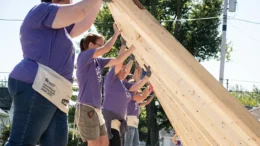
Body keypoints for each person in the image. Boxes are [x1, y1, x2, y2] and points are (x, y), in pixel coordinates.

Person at [6, 0, 107, 145]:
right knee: (22, 142)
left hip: (56, 93)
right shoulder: (42, 10)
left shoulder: (61, 28)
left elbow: (84, 21)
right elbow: (80, 12)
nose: (72, 1)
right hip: (37, 85)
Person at [75, 23, 136, 146]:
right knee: (94, 144)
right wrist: (116, 34)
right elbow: (107, 48)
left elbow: (118, 60)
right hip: (86, 107)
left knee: (105, 142)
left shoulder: (98, 62)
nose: (101, 49)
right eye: (99, 45)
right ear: (90, 45)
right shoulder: (84, 57)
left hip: (96, 110)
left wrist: (133, 48)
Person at [102, 43, 152, 145]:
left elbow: (136, 86)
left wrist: (147, 77)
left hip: (117, 125)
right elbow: (119, 62)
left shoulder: (124, 85)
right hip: (108, 123)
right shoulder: (110, 79)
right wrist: (124, 46)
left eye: (126, 70)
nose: (126, 71)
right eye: (123, 69)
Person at [124, 65, 155, 146]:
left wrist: (153, 93)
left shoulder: (135, 101)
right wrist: (150, 88)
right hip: (129, 124)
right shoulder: (131, 97)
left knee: (135, 144)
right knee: (128, 143)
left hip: (134, 124)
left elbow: (146, 101)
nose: (136, 87)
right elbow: (142, 96)